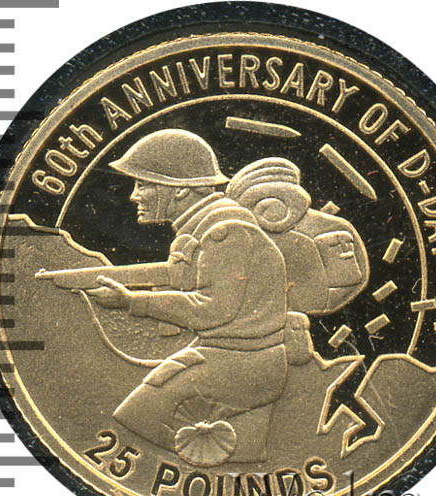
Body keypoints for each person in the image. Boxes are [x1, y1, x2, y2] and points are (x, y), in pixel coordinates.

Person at [89, 129, 289, 465]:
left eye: (143, 184)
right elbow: (187, 277)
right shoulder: (208, 228)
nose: (134, 196)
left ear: (180, 188)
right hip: (233, 357)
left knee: (138, 415)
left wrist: (131, 301)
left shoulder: (225, 233)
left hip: (241, 364)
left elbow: (211, 310)